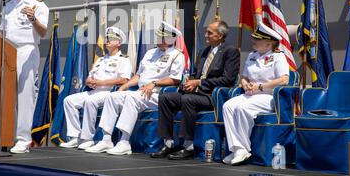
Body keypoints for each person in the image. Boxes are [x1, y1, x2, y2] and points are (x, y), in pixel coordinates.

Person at [85, 21, 185, 155]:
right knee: (112, 96)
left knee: (132, 98)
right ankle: (106, 139)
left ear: (170, 38)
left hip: (157, 94)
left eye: (161, 37)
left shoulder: (177, 55)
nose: (157, 39)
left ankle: (124, 141)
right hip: (141, 92)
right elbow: (138, 75)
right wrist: (124, 86)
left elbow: (175, 79)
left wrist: (154, 83)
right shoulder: (150, 53)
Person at [152, 20, 240, 160]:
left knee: (188, 99)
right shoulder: (204, 51)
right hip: (195, 92)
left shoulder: (231, 51)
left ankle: (188, 146)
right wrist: (188, 82)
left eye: (210, 33)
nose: (206, 35)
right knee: (165, 97)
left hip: (211, 95)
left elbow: (228, 79)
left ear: (220, 35)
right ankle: (168, 143)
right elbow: (195, 73)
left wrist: (199, 82)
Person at [222, 22, 289, 165]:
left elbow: (284, 80)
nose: (254, 41)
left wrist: (260, 86)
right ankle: (236, 149)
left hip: (268, 96)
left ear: (269, 43)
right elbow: (244, 76)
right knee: (227, 106)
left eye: (258, 40)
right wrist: (245, 83)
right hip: (250, 94)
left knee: (242, 108)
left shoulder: (278, 57)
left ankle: (243, 149)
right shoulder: (252, 56)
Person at [59, 27, 132, 150]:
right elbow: (89, 77)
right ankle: (75, 136)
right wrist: (89, 81)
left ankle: (87, 138)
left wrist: (101, 82)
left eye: (112, 39)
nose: (107, 40)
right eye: (107, 38)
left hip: (109, 93)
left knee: (90, 101)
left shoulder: (123, 60)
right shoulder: (101, 60)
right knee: (69, 100)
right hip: (93, 90)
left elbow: (124, 80)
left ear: (119, 43)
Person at [2, 0, 49, 154]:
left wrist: (33, 20)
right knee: (7, 97)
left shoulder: (38, 4)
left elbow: (43, 32)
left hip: (26, 52)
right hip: (7, 51)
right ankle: (9, 135)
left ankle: (23, 139)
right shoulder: (8, 5)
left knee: (24, 95)